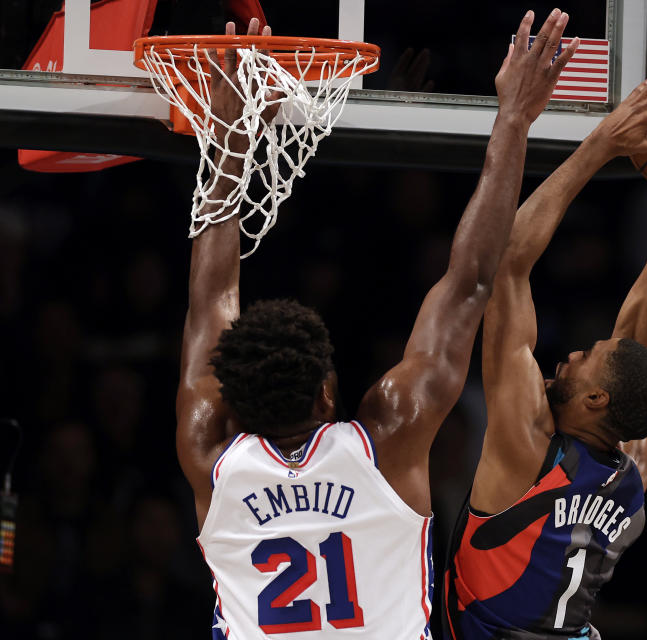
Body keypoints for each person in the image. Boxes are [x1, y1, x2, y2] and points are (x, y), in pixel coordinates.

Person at [175, 13, 579, 640]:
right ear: (327, 393)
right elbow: (470, 280)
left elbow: (210, 302)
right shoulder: (388, 436)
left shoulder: (209, 453)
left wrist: (225, 145)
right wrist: (515, 119)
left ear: (231, 394)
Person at [442, 73, 647, 640]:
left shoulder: (526, 452)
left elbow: (509, 263)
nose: (574, 353)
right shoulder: (632, 467)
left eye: (587, 357)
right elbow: (636, 349)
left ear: (596, 398)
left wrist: (602, 144)